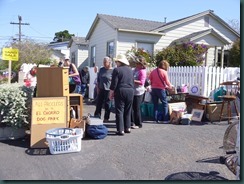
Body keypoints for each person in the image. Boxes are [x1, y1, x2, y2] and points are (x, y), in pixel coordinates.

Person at [109, 54, 134, 135]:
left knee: (119, 110)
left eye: (116, 61)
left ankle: (120, 129)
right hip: (130, 90)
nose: (116, 63)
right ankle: (128, 127)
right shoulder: (130, 70)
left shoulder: (117, 70)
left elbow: (114, 84)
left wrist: (111, 93)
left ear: (119, 62)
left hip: (121, 90)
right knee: (128, 110)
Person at [94, 57, 113, 122]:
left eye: (105, 62)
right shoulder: (101, 69)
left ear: (109, 62)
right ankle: (97, 115)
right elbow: (98, 79)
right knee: (99, 103)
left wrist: (113, 91)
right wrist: (97, 87)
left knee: (107, 104)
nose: (104, 63)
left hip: (108, 89)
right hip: (101, 88)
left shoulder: (113, 71)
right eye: (103, 62)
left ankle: (106, 118)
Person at [131, 56, 147, 129]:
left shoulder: (142, 71)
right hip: (133, 91)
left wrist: (132, 80)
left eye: (138, 63)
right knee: (131, 107)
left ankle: (138, 123)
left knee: (136, 108)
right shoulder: (134, 70)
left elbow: (141, 82)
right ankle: (131, 122)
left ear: (142, 64)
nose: (136, 64)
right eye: (136, 63)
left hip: (139, 92)